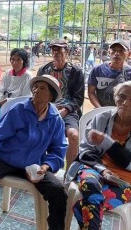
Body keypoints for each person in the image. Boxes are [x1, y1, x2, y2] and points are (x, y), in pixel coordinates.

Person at [0, 75, 68, 230]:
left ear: (51, 95)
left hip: (34, 165)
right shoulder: (19, 110)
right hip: (5, 160)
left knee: (58, 191)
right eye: (35, 87)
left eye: (42, 88)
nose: (36, 90)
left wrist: (46, 166)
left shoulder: (55, 120)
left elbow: (58, 150)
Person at [65, 81, 131, 230]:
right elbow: (85, 151)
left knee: (90, 202)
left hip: (126, 177)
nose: (125, 103)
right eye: (122, 96)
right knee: (91, 185)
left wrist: (107, 143)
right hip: (94, 167)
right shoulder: (101, 118)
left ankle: (83, 210)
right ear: (115, 97)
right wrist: (103, 170)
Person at [37, 38, 84, 171]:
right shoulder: (44, 70)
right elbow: (37, 93)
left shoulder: (75, 71)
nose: (56, 52)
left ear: (67, 51)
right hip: (46, 108)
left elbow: (78, 99)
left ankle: (69, 173)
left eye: (59, 49)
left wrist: (64, 110)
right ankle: (39, 167)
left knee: (74, 135)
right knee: (37, 132)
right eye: (53, 49)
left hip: (68, 111)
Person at [0, 48, 32, 137]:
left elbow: (26, 97)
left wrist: (8, 101)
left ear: (24, 61)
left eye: (18, 60)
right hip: (3, 105)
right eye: (13, 59)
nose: (15, 62)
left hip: (18, 107)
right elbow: (1, 91)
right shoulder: (8, 73)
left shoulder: (27, 76)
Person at [88, 39, 131, 107]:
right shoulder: (97, 70)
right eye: (114, 50)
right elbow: (91, 92)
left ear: (129, 54)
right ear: (109, 52)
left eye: (121, 51)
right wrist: (100, 109)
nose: (116, 53)